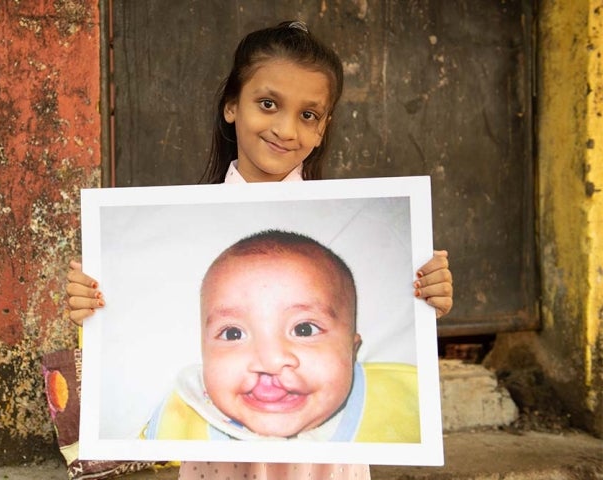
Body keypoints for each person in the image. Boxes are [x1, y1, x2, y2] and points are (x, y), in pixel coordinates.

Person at [66, 20, 453, 480]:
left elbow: (408, 357)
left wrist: (427, 298)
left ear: (324, 127)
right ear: (232, 105)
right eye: (268, 104)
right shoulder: (185, 403)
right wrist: (94, 307)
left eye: (308, 114)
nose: (286, 129)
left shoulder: (385, 390)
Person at [143, 229, 420, 444]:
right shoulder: (179, 418)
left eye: (304, 329)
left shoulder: (407, 402)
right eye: (233, 333)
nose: (270, 360)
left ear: (352, 349)